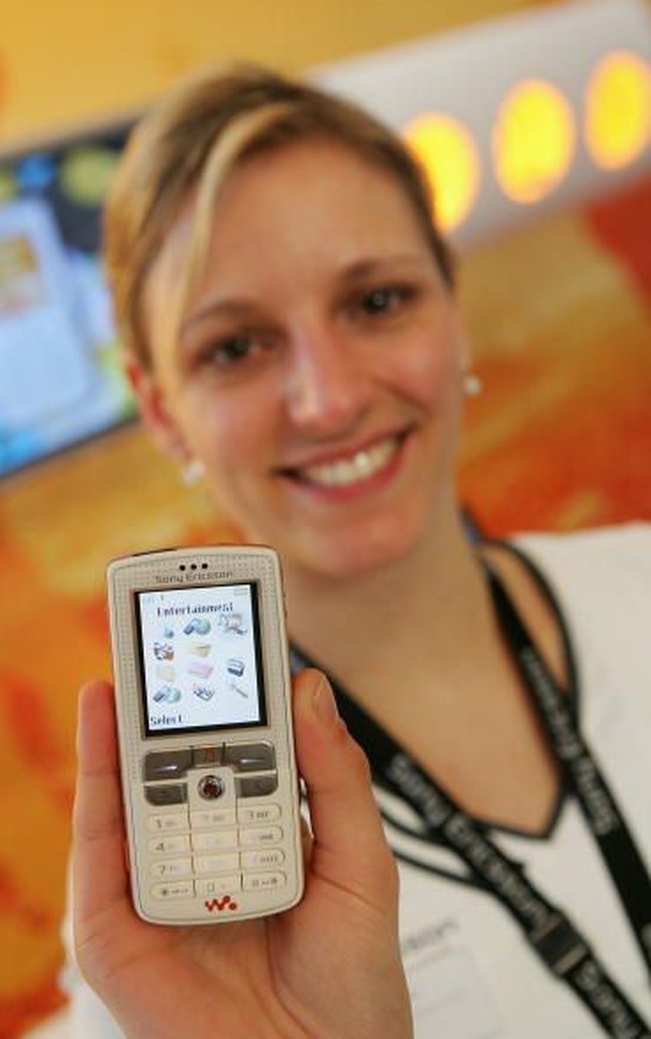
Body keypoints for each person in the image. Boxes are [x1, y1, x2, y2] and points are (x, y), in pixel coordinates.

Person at [68, 62, 651, 1038]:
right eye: (236, 347)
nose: (330, 399)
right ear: (164, 412)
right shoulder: (163, 932)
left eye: (376, 301)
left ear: (453, 307)